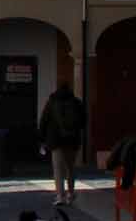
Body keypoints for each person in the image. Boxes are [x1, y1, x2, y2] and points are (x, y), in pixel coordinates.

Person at [37, 77, 87, 207]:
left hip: (56, 140)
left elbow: (44, 120)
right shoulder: (76, 102)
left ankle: (60, 196)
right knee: (70, 168)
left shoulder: (52, 102)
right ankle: (71, 193)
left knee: (58, 169)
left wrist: (41, 138)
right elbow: (84, 121)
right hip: (72, 140)